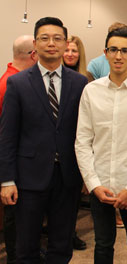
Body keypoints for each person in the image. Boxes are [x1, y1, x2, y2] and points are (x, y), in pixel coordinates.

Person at [0, 17, 87, 263]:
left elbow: (84, 132)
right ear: (35, 44)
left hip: (67, 176)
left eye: (58, 38)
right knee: (26, 247)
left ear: (65, 43)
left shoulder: (80, 83)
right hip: (28, 177)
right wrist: (6, 180)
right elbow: (7, 136)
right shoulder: (17, 83)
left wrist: (87, 175)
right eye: (45, 38)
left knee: (61, 245)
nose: (52, 43)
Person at [75, 25, 127, 264]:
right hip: (100, 183)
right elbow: (82, 142)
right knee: (102, 244)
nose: (118, 56)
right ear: (105, 52)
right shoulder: (91, 91)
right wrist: (93, 184)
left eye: (125, 50)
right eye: (113, 50)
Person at [0, 34, 37, 264]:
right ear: (34, 55)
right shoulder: (12, 84)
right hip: (13, 162)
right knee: (15, 215)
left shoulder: (10, 78)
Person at [62, 35, 88, 251]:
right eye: (67, 50)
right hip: (57, 145)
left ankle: (71, 234)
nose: (70, 54)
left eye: (74, 50)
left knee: (72, 198)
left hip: (78, 145)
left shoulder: (84, 80)